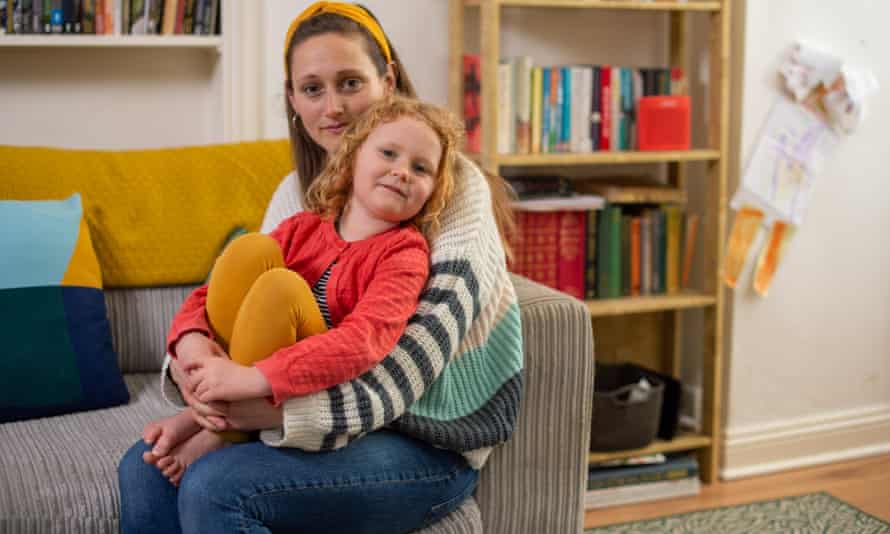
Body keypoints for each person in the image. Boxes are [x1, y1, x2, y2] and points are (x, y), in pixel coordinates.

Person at [118, 3, 523, 533]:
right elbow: (234, 304)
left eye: (351, 82)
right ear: (292, 99)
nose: (333, 107)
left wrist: (260, 409)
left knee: (216, 486)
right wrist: (195, 363)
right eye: (313, 89)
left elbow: (403, 364)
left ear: (388, 81)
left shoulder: (448, 192)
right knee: (143, 471)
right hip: (308, 403)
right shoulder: (299, 199)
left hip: (426, 436)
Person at [138, 96, 462, 486]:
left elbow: (363, 340)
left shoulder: (405, 254)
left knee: (281, 288)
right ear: (354, 158)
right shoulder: (304, 227)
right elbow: (209, 296)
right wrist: (189, 342)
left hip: (306, 384)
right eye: (389, 153)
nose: (402, 172)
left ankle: (220, 431)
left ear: (433, 190)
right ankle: (207, 409)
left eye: (421, 167)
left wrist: (256, 378)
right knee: (250, 250)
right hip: (242, 366)